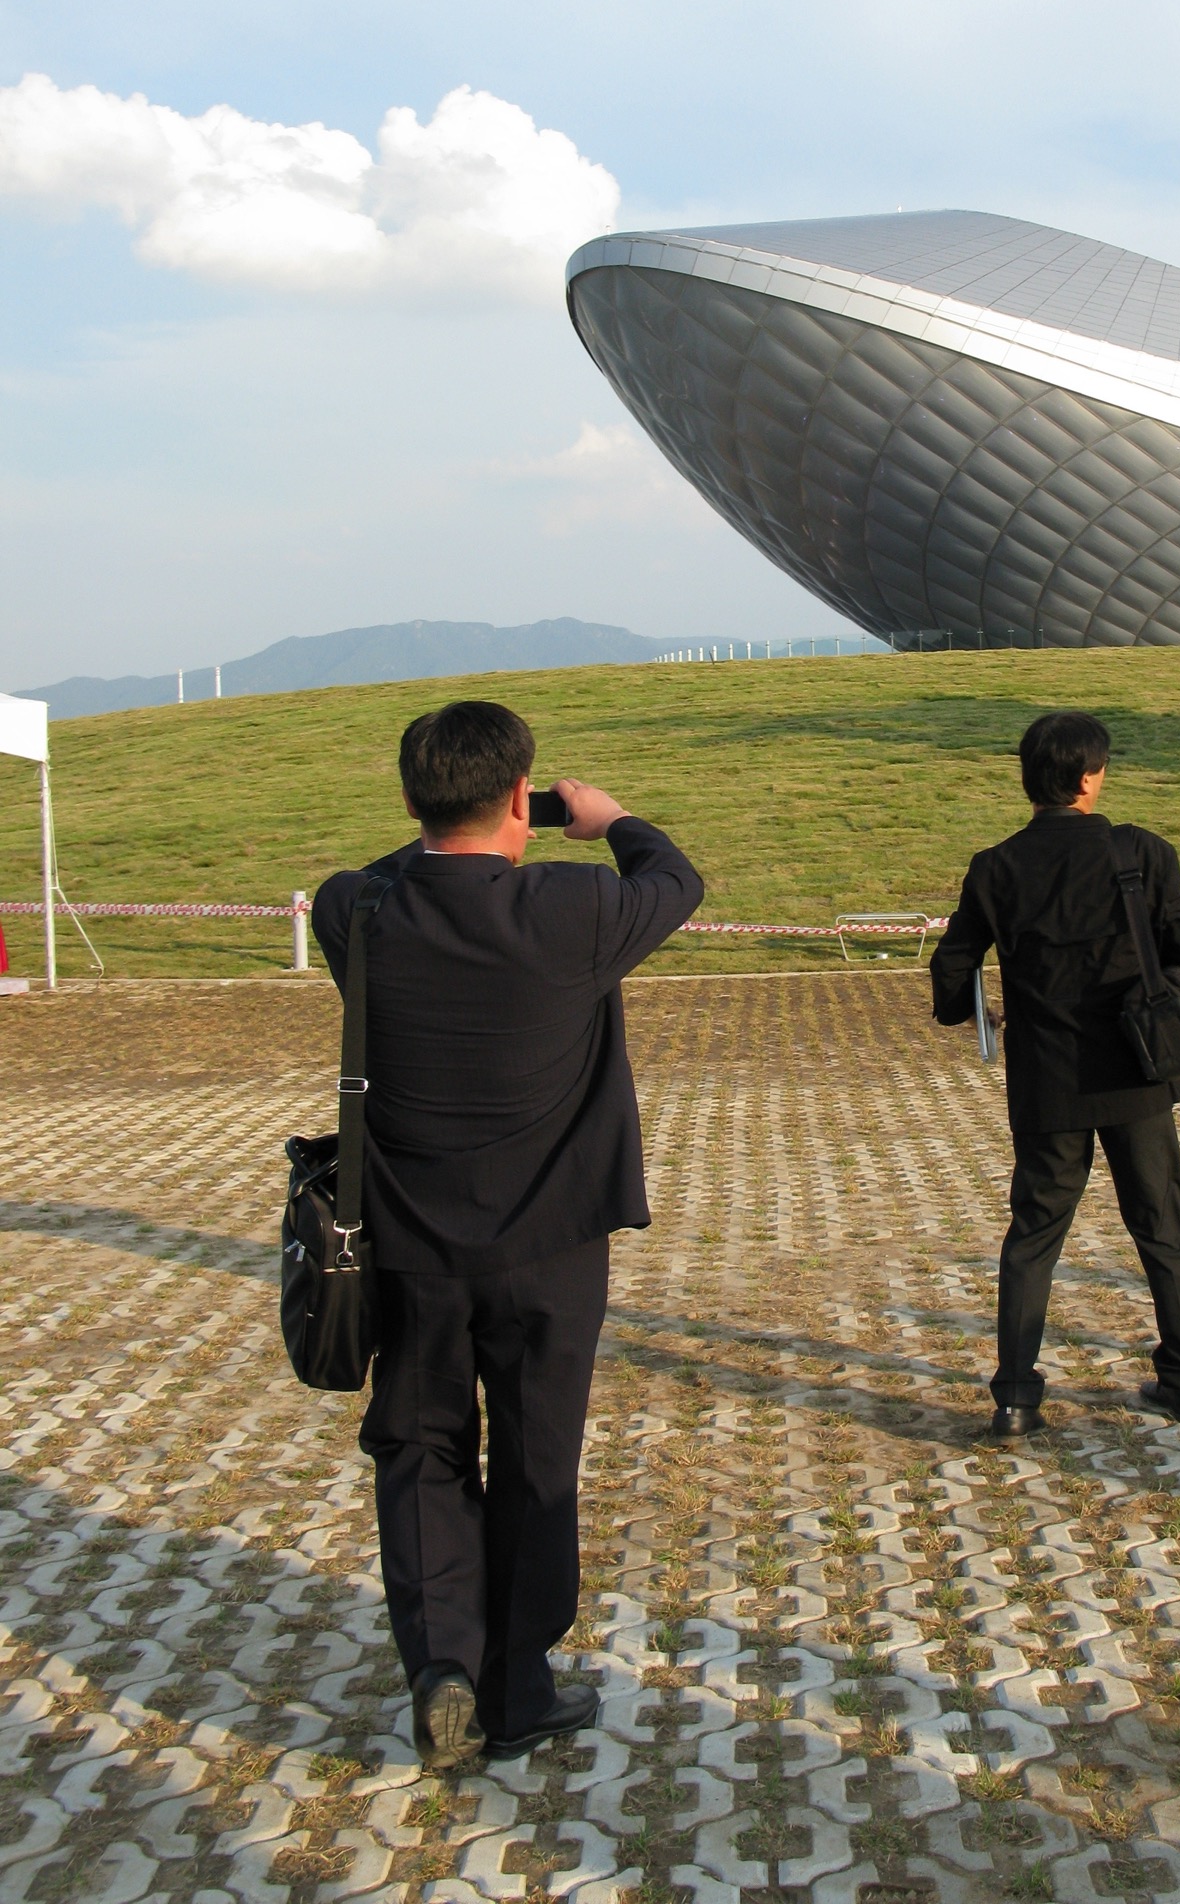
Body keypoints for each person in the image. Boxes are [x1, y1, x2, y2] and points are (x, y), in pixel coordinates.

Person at [311, 699, 701, 1771]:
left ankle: (441, 1661)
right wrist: (606, 818)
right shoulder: (573, 908)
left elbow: (401, 868)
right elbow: (677, 884)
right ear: (520, 800)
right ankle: (519, 1687)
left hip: (410, 1244)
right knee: (536, 1459)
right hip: (552, 1244)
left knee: (421, 1445)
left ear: (408, 802)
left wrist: (453, 828)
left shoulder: (354, 914)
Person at [930, 709, 1180, 1439]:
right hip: (1138, 1072)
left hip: (1046, 1080)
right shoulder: (1141, 853)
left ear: (1030, 780)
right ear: (1090, 778)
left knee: (1033, 1234)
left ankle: (1017, 1396)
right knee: (1161, 1227)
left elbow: (951, 968)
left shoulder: (995, 866)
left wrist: (977, 1012)